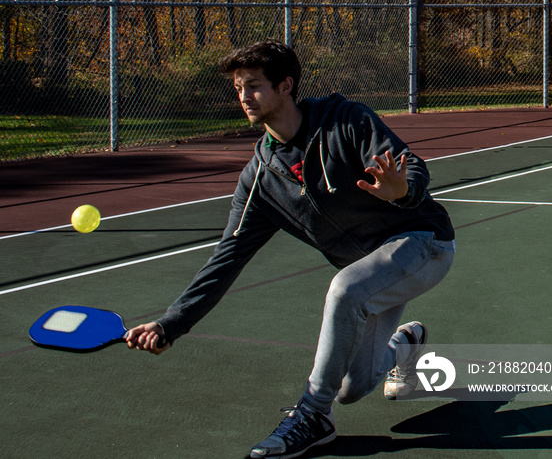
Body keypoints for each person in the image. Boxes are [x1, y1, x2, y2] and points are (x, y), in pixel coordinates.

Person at [126, 38, 455, 459]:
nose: (244, 96)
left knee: (344, 290)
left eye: (254, 85)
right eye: (239, 87)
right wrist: (171, 324)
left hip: (424, 243)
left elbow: (409, 166)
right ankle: (405, 343)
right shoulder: (261, 179)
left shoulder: (345, 121)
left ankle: (313, 416)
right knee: (350, 390)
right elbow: (226, 257)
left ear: (286, 86)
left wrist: (402, 189)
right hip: (371, 272)